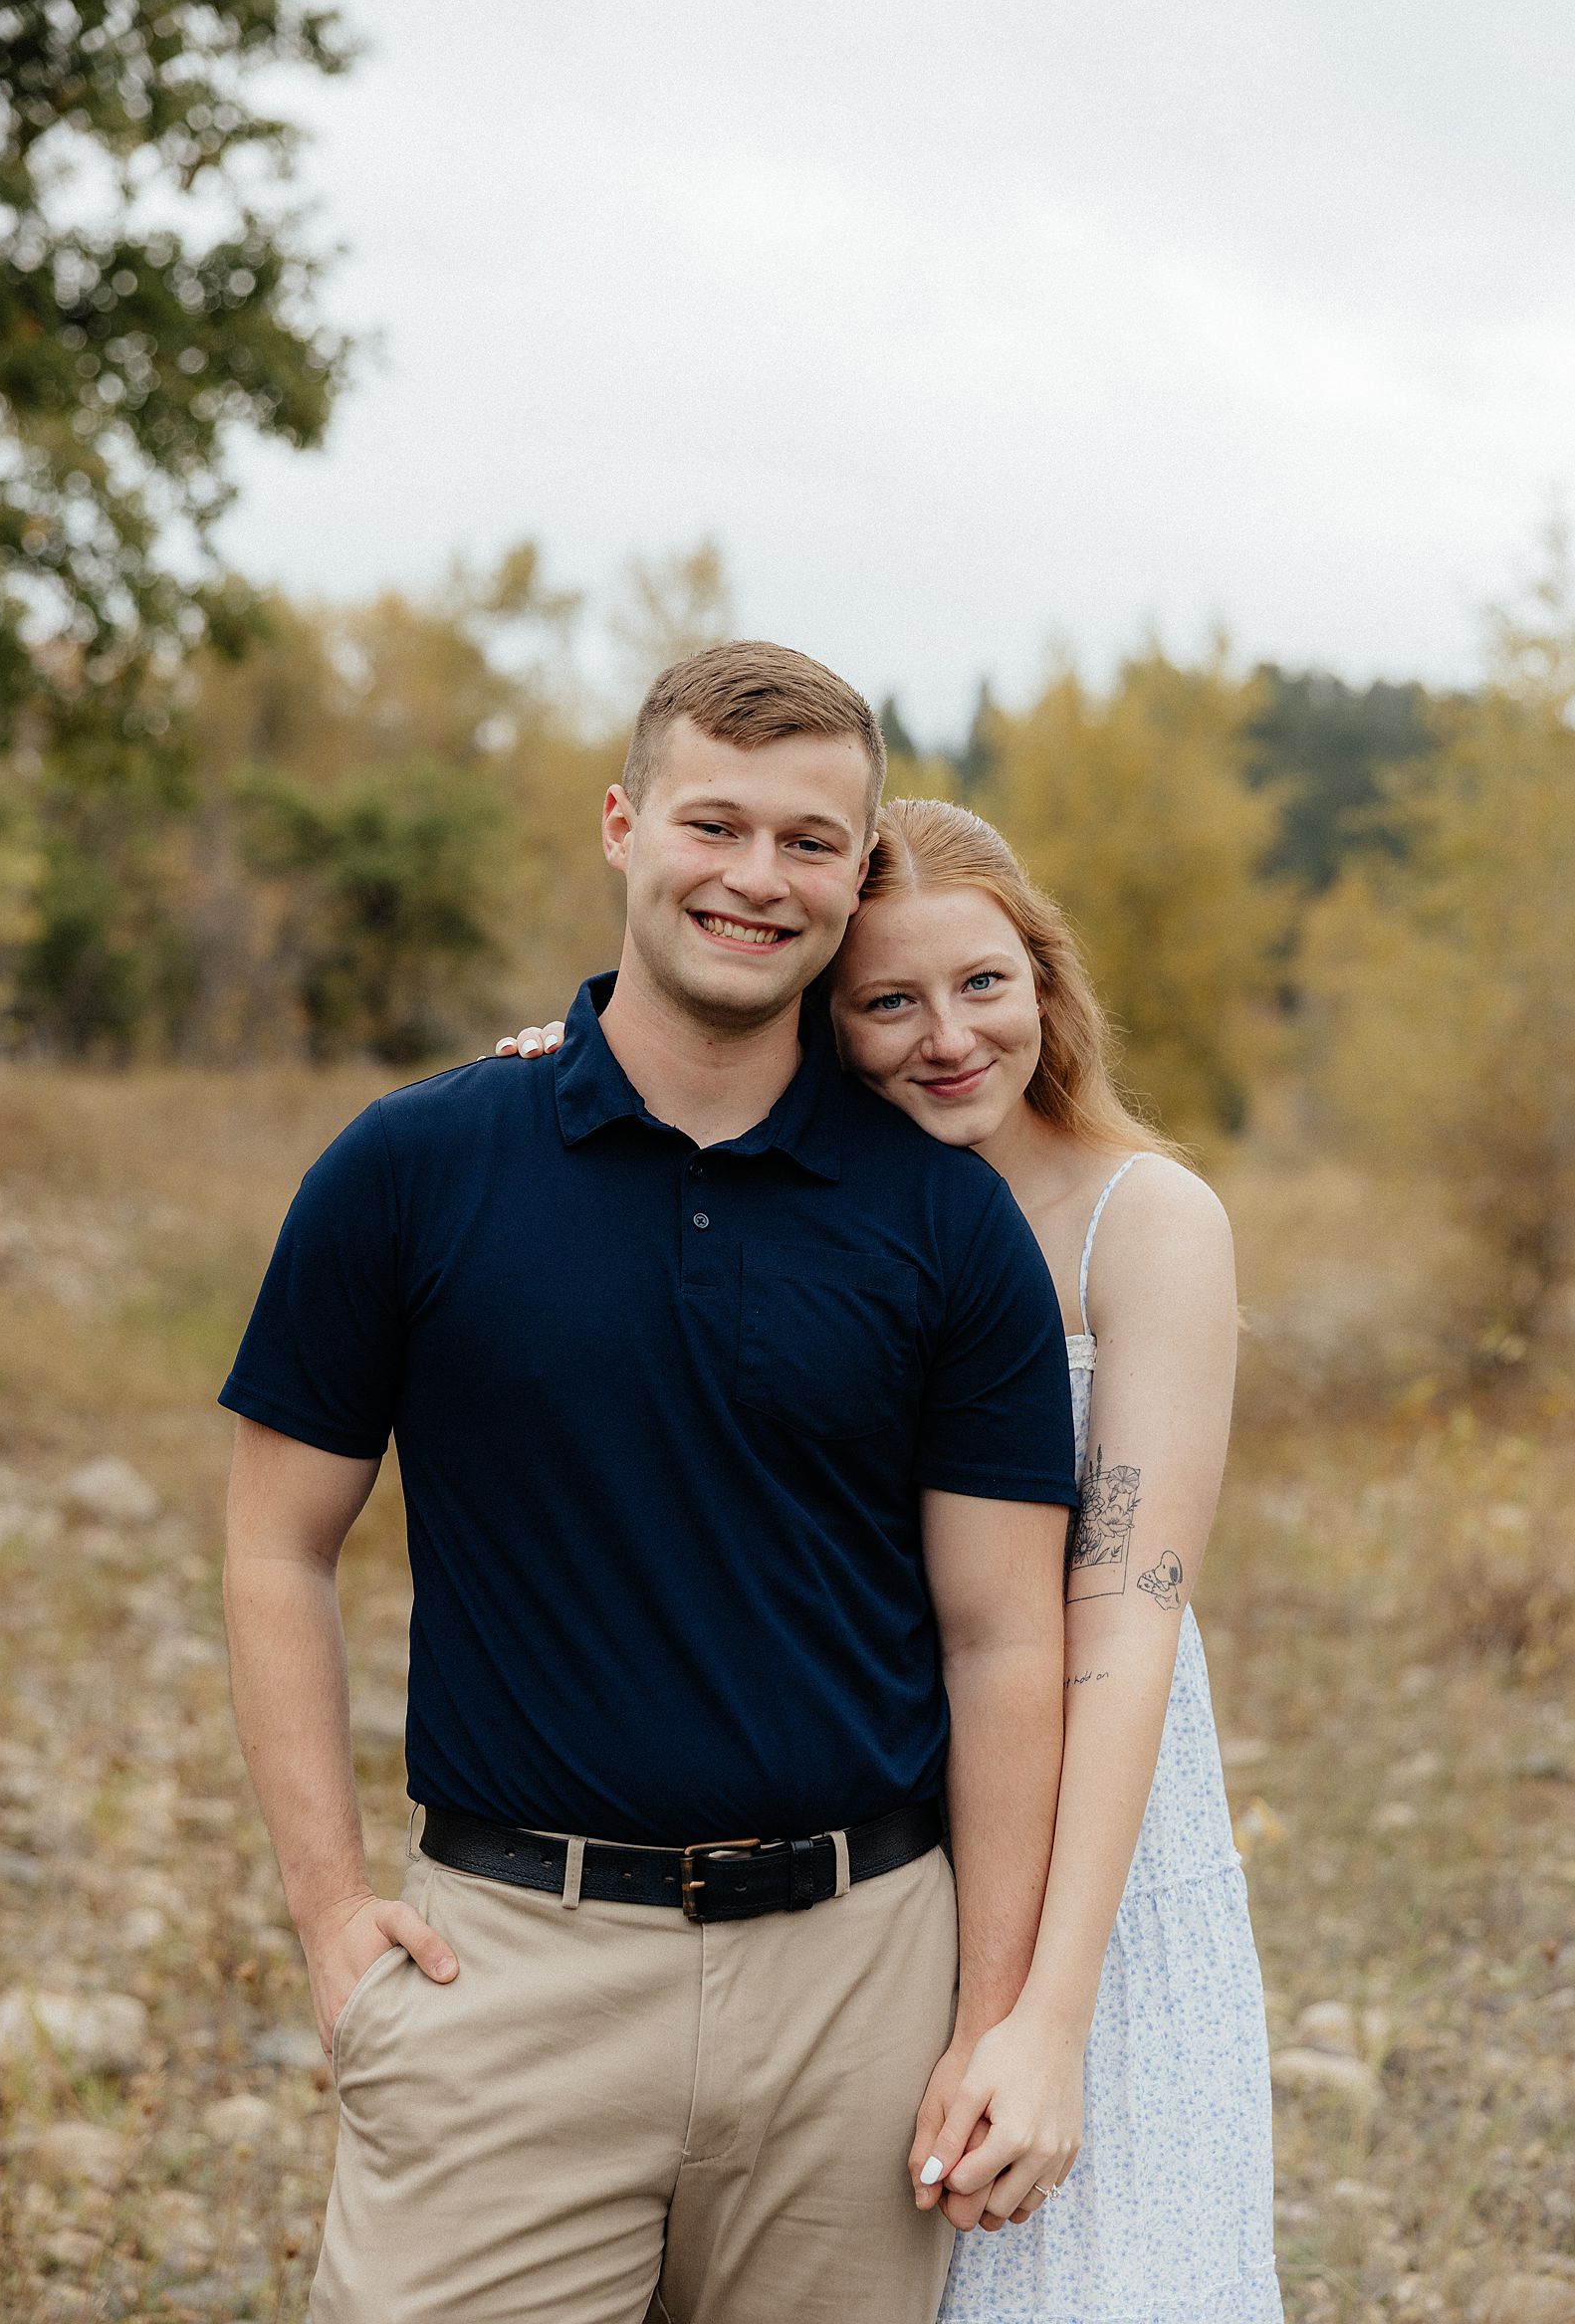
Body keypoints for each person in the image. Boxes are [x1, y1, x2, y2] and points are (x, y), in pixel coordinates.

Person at [218, 644, 1084, 2324]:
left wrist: (988, 2012)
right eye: (717, 823)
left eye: (812, 842)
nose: (759, 878)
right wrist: (332, 1923)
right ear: (625, 826)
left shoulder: (942, 1221)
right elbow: (274, 1545)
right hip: (514, 1970)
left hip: (861, 1984)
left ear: (854, 877)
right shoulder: (413, 1166)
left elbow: (1003, 1643)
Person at [499, 794, 1283, 2323]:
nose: (948, 1038)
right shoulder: (814, 1199)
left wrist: (1053, 2010)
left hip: (1086, 1845)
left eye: (984, 983)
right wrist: (568, 1067)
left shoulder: (1145, 1219)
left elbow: (1120, 1633)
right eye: (888, 1002)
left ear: (1044, 982)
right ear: (820, 1013)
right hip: (861, 1838)